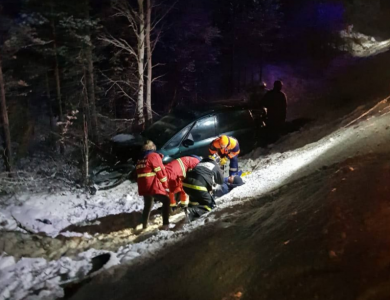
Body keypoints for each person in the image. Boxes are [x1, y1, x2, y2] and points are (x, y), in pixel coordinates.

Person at [136, 140, 170, 229]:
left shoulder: (141, 158)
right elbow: (161, 172)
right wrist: (166, 185)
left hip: (143, 185)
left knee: (148, 204)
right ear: (152, 147)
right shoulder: (153, 156)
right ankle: (166, 224)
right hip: (151, 185)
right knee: (166, 201)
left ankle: (144, 225)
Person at [182, 153, 224, 221]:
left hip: (185, 184)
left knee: (195, 198)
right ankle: (192, 211)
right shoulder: (215, 166)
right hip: (198, 184)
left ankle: (191, 213)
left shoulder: (201, 163)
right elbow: (221, 181)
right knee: (210, 205)